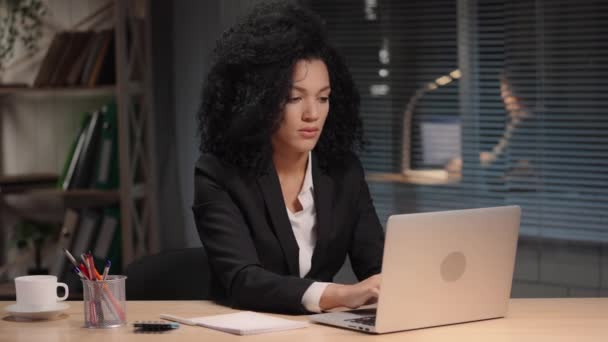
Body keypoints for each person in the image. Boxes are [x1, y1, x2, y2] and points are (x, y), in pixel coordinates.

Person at [193, 1, 384, 314]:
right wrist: (341, 294)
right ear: (258, 101)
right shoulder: (218, 175)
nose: (312, 114)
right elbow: (243, 280)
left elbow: (375, 264)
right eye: (294, 98)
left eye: (323, 98)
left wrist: (393, 283)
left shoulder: (343, 171)